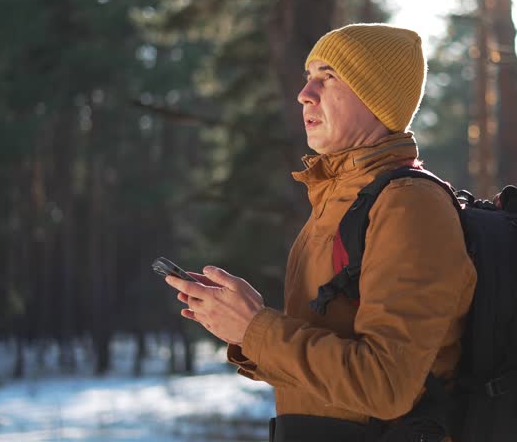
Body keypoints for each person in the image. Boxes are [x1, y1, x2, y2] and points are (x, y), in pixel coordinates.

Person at [165, 23, 476, 442]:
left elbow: (385, 385)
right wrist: (244, 326)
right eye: (308, 77)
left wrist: (255, 329)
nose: (305, 93)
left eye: (328, 77)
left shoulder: (407, 204)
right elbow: (320, 379)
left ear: (376, 96)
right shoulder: (338, 200)